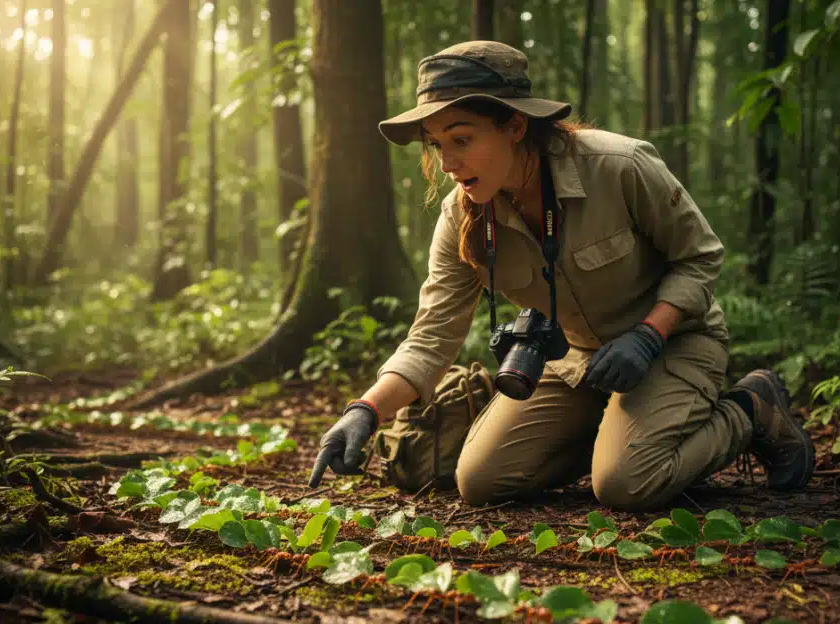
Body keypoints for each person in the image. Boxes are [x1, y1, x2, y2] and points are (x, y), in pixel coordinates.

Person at [306, 40, 814, 511]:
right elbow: (432, 337)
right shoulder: (463, 217)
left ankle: (751, 408)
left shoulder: (618, 166)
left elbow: (700, 257)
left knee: (624, 484)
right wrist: (365, 411)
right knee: (479, 481)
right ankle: (617, 430)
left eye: (462, 139)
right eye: (438, 145)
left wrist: (648, 334)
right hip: (573, 360)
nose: (449, 163)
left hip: (673, 342)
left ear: (515, 127)